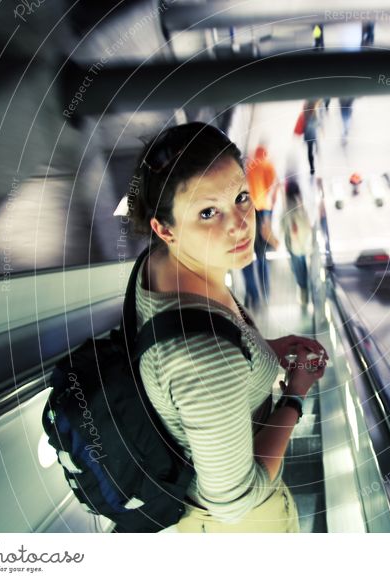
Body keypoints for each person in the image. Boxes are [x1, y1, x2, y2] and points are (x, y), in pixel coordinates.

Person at [127, 122, 329, 532]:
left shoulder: (162, 264)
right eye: (207, 212)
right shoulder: (203, 357)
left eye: (240, 198)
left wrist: (261, 349)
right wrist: (294, 396)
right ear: (164, 229)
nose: (239, 224)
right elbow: (235, 502)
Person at [241, 144, 279, 309]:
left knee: (247, 256)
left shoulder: (248, 168)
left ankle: (253, 295)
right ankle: (266, 290)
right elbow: (273, 189)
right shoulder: (268, 166)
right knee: (261, 254)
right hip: (264, 210)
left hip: (247, 211)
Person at [280, 180, 313, 305]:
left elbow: (288, 224)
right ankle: (307, 292)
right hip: (303, 241)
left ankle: (304, 294)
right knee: (302, 265)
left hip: (295, 243)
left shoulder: (289, 205)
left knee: (298, 268)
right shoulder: (301, 203)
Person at [302, 99, 322, 175]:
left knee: (310, 151)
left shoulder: (305, 108)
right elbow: (317, 123)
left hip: (308, 134)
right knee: (314, 148)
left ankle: (312, 168)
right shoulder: (315, 110)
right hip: (312, 134)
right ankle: (313, 165)